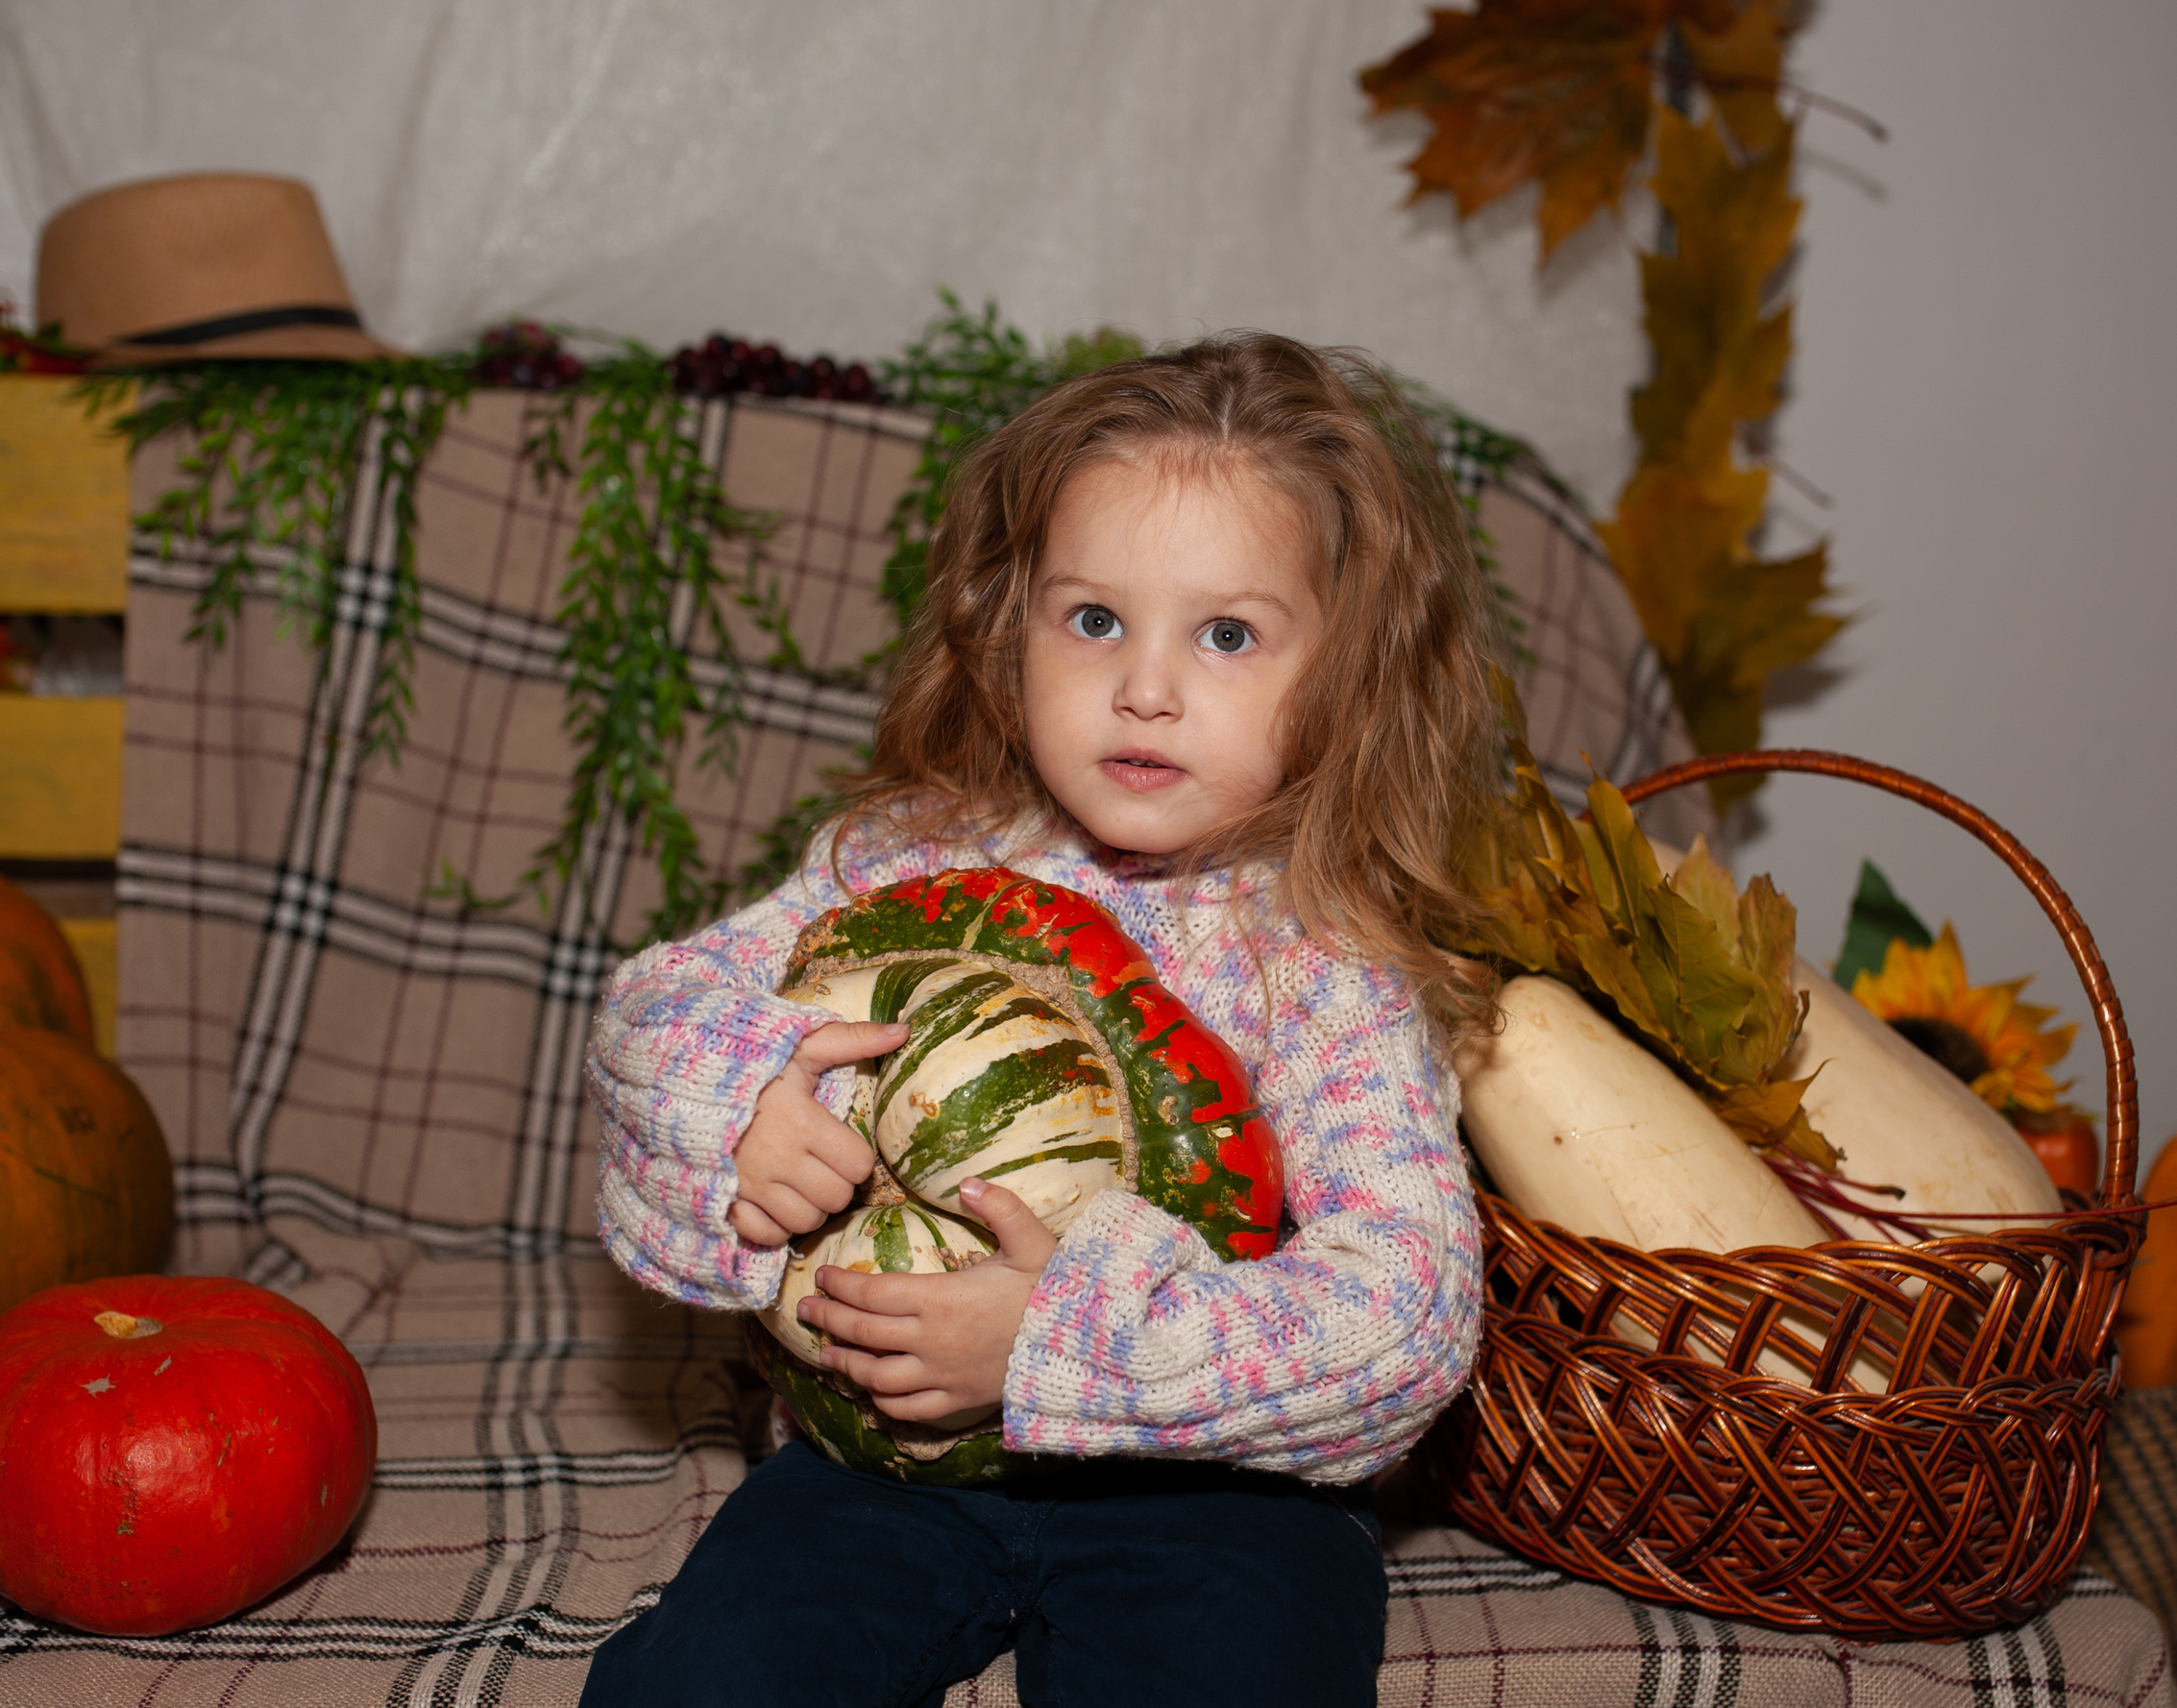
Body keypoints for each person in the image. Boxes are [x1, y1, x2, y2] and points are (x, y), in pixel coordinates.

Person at [580, 332, 1497, 1707]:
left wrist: (1060, 1342)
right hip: (872, 1459)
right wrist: (746, 1094)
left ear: (1352, 676)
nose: (1146, 685)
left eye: (1228, 634)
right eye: (1093, 618)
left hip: (1216, 1488)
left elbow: (1408, 1312)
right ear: (1008, 626)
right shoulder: (900, 858)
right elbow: (657, 1002)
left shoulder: (1329, 963)